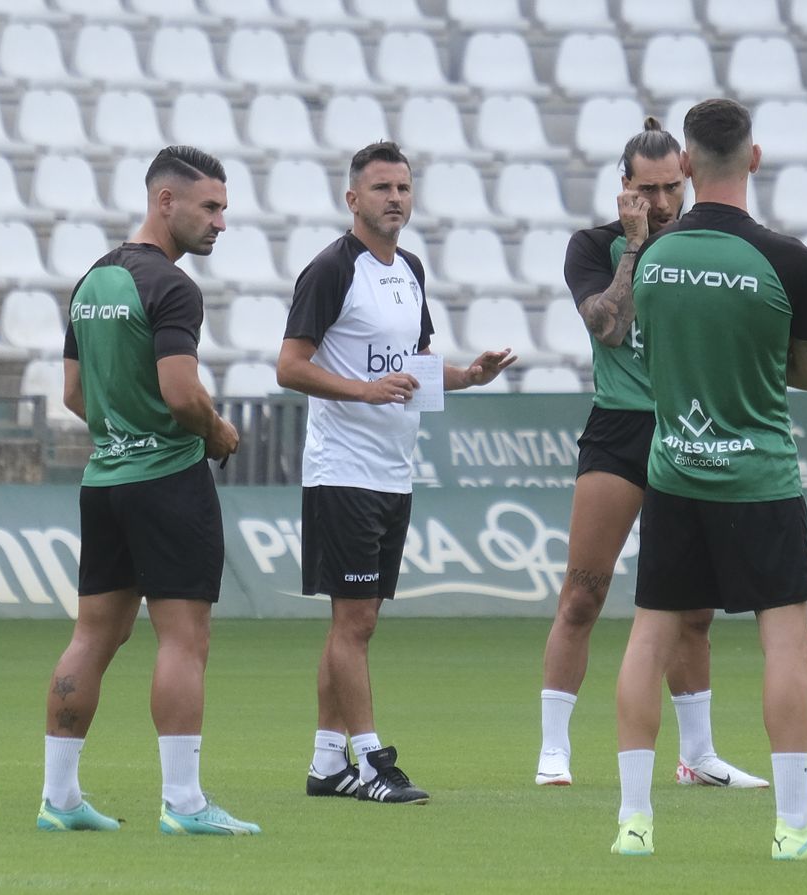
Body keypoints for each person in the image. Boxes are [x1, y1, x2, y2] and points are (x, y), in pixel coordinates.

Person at [610, 98, 807, 862]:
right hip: (758, 476)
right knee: (786, 643)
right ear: (753, 158)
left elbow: (648, 348)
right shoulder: (791, 261)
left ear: (685, 164)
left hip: (675, 471)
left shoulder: (653, 258)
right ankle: (794, 825)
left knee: (649, 637)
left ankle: (633, 821)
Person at [277, 141, 515, 805]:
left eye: (404, 187)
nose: (395, 198)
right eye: (382, 187)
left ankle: (327, 762)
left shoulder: (409, 269)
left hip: (392, 471)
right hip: (343, 471)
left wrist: (467, 376)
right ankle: (372, 760)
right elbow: (290, 366)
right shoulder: (331, 269)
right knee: (354, 623)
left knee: (354, 624)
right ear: (352, 198)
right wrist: (363, 390)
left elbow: (414, 366)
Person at [537, 117, 766, 790]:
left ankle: (699, 756)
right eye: (648, 189)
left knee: (693, 609)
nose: (662, 202)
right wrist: (636, 248)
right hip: (621, 429)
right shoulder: (594, 246)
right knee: (583, 592)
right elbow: (608, 328)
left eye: (672, 187)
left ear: (688, 178)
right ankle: (554, 749)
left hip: (687, 426)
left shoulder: (705, 246)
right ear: (624, 187)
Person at [38, 145, 258, 836]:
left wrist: (122, 432)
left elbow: (74, 394)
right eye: (210, 207)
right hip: (168, 481)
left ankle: (59, 799)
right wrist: (217, 432)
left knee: (92, 637)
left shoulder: (93, 280)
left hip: (104, 480)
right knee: (183, 640)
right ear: (166, 202)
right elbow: (181, 393)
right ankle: (184, 803)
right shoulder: (172, 286)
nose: (221, 222)